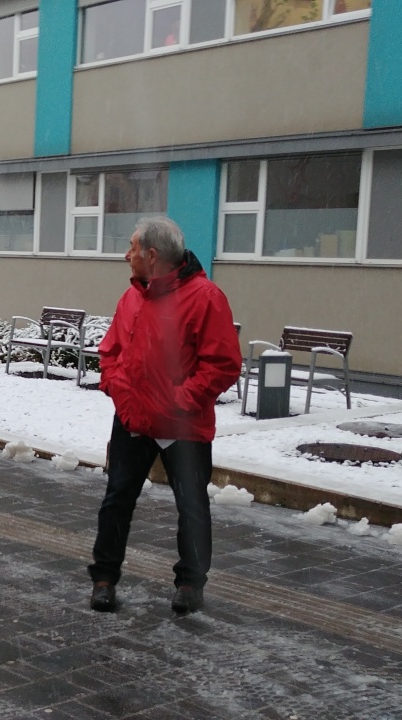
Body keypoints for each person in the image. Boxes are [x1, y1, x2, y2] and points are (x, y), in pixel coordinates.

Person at [88, 217, 242, 615]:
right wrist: (118, 391)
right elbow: (111, 352)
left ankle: (191, 584)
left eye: (132, 248)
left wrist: (178, 401)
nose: (127, 255)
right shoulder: (132, 298)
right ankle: (104, 579)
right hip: (132, 421)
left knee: (192, 506)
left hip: (183, 426)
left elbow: (222, 364)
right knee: (116, 500)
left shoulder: (206, 298)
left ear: (152, 256)